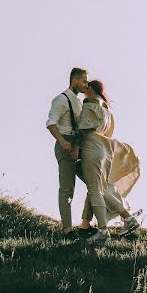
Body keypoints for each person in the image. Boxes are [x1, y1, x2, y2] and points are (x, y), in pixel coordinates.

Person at [78, 79, 140, 246]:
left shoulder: (89, 102)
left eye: (85, 88)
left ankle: (105, 230)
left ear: (90, 89)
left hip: (91, 145)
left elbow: (83, 129)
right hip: (105, 149)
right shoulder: (107, 109)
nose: (84, 91)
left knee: (96, 188)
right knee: (99, 187)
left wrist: (73, 146)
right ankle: (88, 224)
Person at [46, 67, 88, 236]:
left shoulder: (79, 102)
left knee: (94, 184)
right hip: (65, 144)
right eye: (84, 81)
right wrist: (63, 142)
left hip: (79, 146)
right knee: (67, 189)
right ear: (75, 80)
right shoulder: (61, 99)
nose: (86, 84)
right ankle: (67, 229)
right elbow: (51, 123)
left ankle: (87, 224)